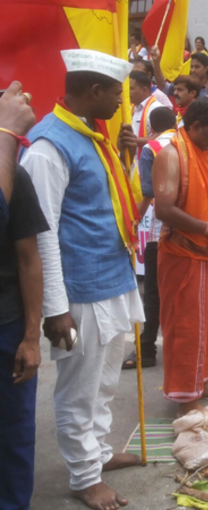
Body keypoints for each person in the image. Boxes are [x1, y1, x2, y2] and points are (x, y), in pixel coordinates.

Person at [21, 49, 144, 510]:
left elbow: (106, 205)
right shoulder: (49, 147)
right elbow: (41, 235)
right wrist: (54, 309)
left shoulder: (94, 134)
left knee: (105, 381)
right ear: (94, 92)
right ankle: (84, 477)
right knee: (79, 389)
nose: (121, 103)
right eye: (117, 93)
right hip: (80, 290)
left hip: (114, 278)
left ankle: (98, 452)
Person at [153, 98, 208, 414]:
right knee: (187, 327)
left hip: (207, 256)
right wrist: (206, 228)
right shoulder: (172, 155)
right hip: (184, 256)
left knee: (206, 323)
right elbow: (164, 209)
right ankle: (187, 397)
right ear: (195, 126)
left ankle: (201, 380)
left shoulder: (203, 151)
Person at [0, 81, 45, 510]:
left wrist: (32, 337)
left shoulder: (17, 173)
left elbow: (30, 259)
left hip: (7, 326)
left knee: (13, 433)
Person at [122, 107, 177, 370]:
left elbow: (147, 193)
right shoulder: (188, 144)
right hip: (190, 228)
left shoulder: (151, 148)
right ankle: (182, 349)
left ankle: (146, 350)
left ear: (151, 127)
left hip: (159, 231)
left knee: (153, 293)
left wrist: (133, 223)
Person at [129, 70, 168, 160]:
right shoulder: (133, 108)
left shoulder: (156, 109)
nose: (127, 92)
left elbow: (162, 138)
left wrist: (132, 140)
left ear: (144, 90)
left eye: (131, 88)